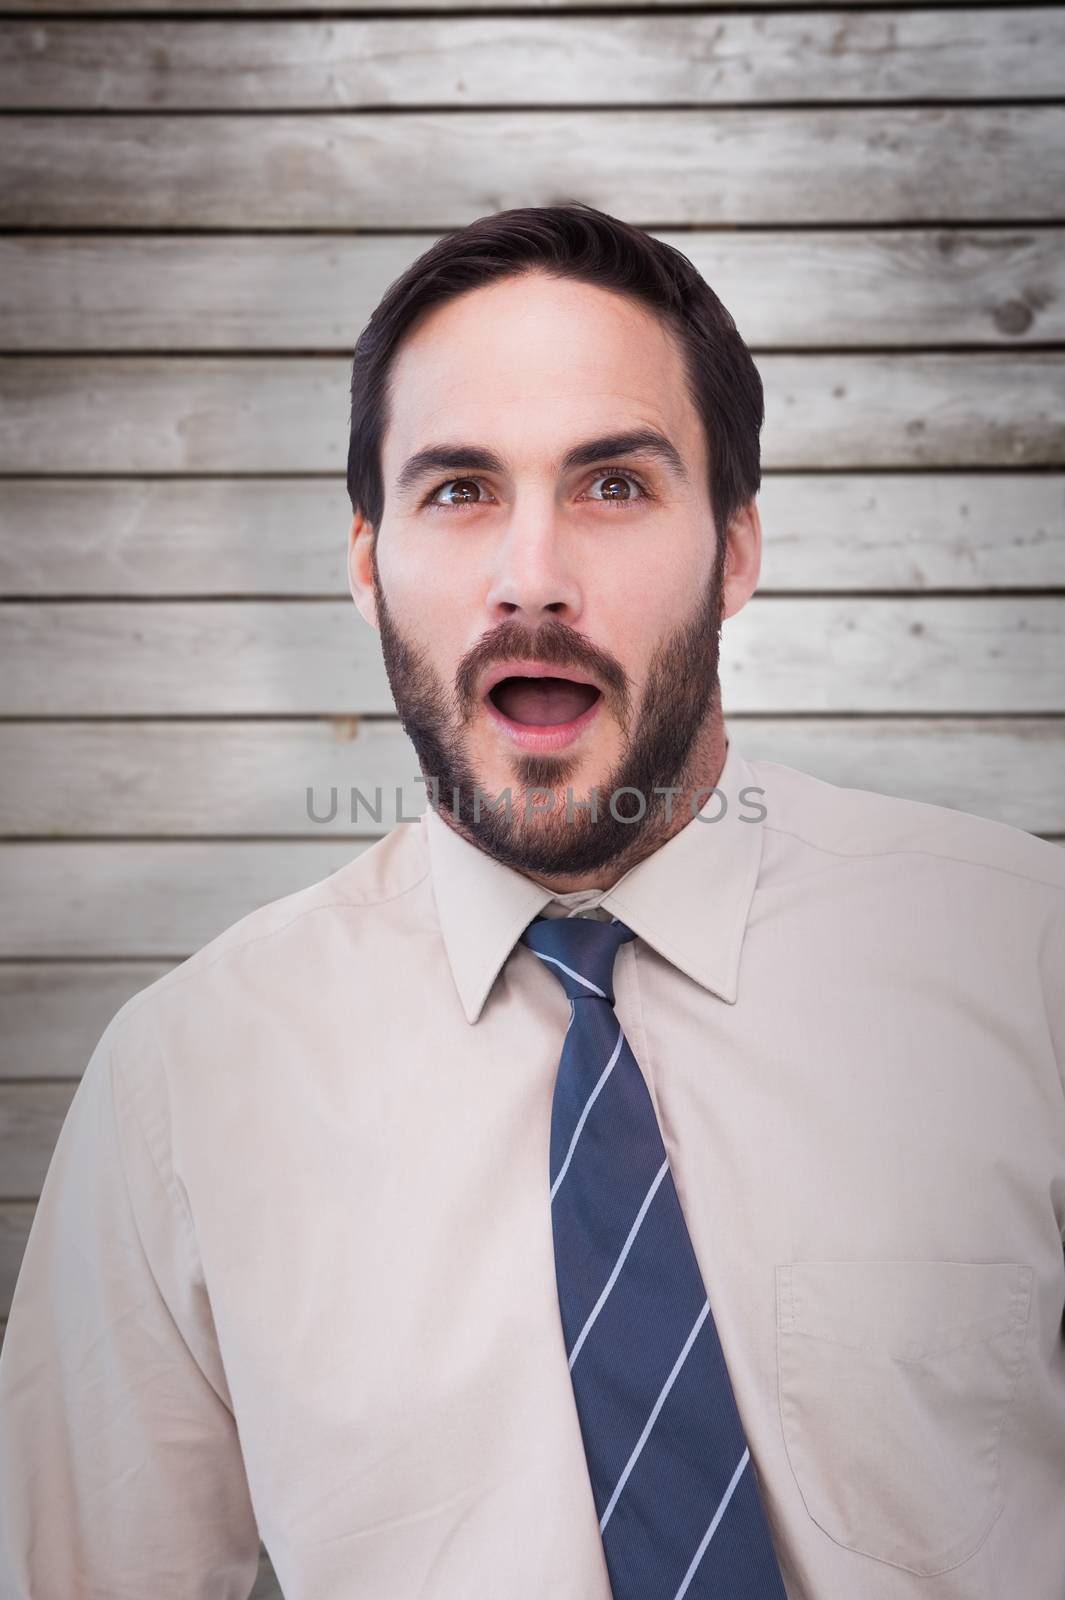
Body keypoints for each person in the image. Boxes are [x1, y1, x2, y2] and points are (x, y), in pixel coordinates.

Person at [0, 203, 1062, 1600]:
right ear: (368, 561)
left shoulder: (1023, 959)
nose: (532, 580)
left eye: (613, 485)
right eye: (459, 490)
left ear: (735, 550)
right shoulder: (182, 1092)